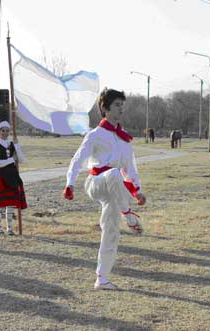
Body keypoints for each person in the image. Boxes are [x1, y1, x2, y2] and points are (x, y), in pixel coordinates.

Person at [63, 88, 147, 290]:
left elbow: (130, 168)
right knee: (113, 173)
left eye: (122, 105)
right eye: (117, 105)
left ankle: (102, 278)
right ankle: (128, 215)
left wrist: (137, 190)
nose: (121, 109)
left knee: (111, 232)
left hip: (114, 192)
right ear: (105, 108)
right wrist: (70, 183)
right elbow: (78, 159)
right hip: (96, 183)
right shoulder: (95, 135)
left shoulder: (125, 139)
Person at [0, 120, 28, 235]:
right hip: (0, 175)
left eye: (7, 131)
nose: (5, 133)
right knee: (0, 203)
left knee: (10, 203)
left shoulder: (12, 144)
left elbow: (22, 160)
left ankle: (9, 228)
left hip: (11, 175)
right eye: (3, 130)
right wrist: (11, 159)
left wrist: (17, 146)